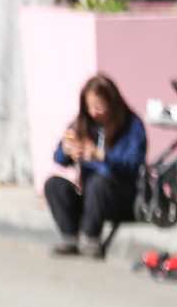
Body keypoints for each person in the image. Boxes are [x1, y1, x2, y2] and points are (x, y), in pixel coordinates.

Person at [45, 73, 147, 259]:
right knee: (54, 185)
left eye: (99, 106)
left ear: (112, 103)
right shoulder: (83, 123)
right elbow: (59, 159)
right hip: (90, 196)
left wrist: (101, 156)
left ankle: (91, 238)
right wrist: (67, 150)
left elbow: (133, 163)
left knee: (99, 182)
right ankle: (70, 237)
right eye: (89, 107)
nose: (93, 112)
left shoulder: (132, 125)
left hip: (120, 196)